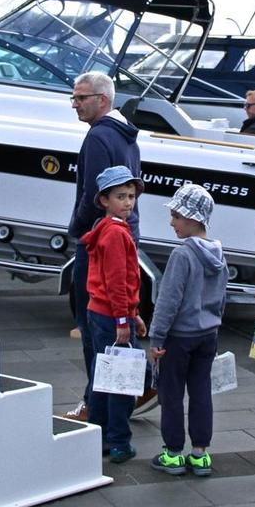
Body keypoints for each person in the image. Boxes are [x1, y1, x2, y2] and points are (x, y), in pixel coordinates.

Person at [63, 71, 148, 423]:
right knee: (119, 319)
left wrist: (77, 230)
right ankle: (128, 397)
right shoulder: (127, 135)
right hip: (127, 232)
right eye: (74, 97)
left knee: (91, 324)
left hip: (100, 238)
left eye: (81, 97)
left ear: (103, 99)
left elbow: (92, 195)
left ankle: (95, 407)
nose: (74, 104)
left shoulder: (99, 136)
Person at [148, 184, 228, 477]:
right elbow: (221, 298)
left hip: (179, 337)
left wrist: (157, 337)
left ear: (193, 219)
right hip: (208, 335)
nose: (172, 222)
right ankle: (200, 454)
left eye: (176, 216)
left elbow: (168, 301)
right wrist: (214, 324)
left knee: (171, 395)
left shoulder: (182, 256)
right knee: (201, 392)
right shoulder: (219, 254)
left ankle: (172, 453)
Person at [81, 165, 148, 463]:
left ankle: (98, 433)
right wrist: (124, 318)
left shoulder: (104, 229)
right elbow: (118, 281)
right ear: (104, 200)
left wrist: (132, 314)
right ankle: (119, 441)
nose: (128, 202)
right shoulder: (116, 235)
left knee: (101, 374)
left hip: (99, 312)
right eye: (120, 196)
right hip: (112, 317)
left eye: (131, 196)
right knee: (122, 381)